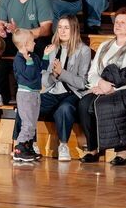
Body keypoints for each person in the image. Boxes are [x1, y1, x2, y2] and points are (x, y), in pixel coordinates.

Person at [78, 7, 126, 164]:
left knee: (112, 104)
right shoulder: (105, 45)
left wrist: (112, 88)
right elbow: (92, 72)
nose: (118, 25)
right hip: (102, 87)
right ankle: (92, 148)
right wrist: (101, 83)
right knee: (84, 104)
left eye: (123, 22)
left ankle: (122, 150)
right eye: (116, 22)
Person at [35, 15, 91, 162]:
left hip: (72, 93)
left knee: (64, 108)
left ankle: (63, 145)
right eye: (60, 27)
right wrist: (54, 75)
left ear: (74, 29)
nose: (62, 31)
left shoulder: (83, 50)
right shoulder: (52, 48)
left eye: (67, 27)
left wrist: (62, 73)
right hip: (53, 91)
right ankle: (27, 143)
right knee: (30, 104)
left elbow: (82, 83)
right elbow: (45, 80)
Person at [11, 28, 46, 163]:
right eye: (32, 41)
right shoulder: (19, 59)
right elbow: (29, 75)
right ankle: (19, 149)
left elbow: (40, 69)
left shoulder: (33, 56)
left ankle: (28, 146)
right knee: (27, 122)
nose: (35, 43)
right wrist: (29, 62)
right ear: (25, 44)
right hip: (25, 95)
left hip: (35, 93)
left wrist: (46, 56)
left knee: (32, 123)